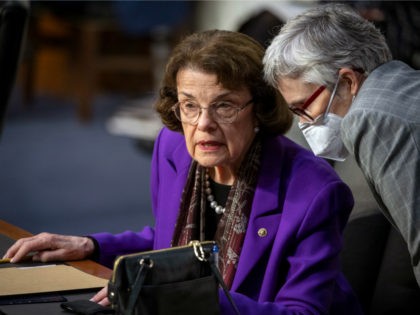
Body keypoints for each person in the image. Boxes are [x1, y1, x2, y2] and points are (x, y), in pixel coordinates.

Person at [4, 30, 362, 314]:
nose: (203, 125)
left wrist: (187, 298)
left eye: (224, 105)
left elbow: (302, 313)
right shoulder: (173, 147)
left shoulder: (314, 192)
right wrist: (91, 245)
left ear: (261, 107)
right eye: (190, 105)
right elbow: (173, 246)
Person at [263, 3, 420, 287]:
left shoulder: (370, 117)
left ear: (348, 81)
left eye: (303, 108)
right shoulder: (398, 83)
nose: (303, 123)